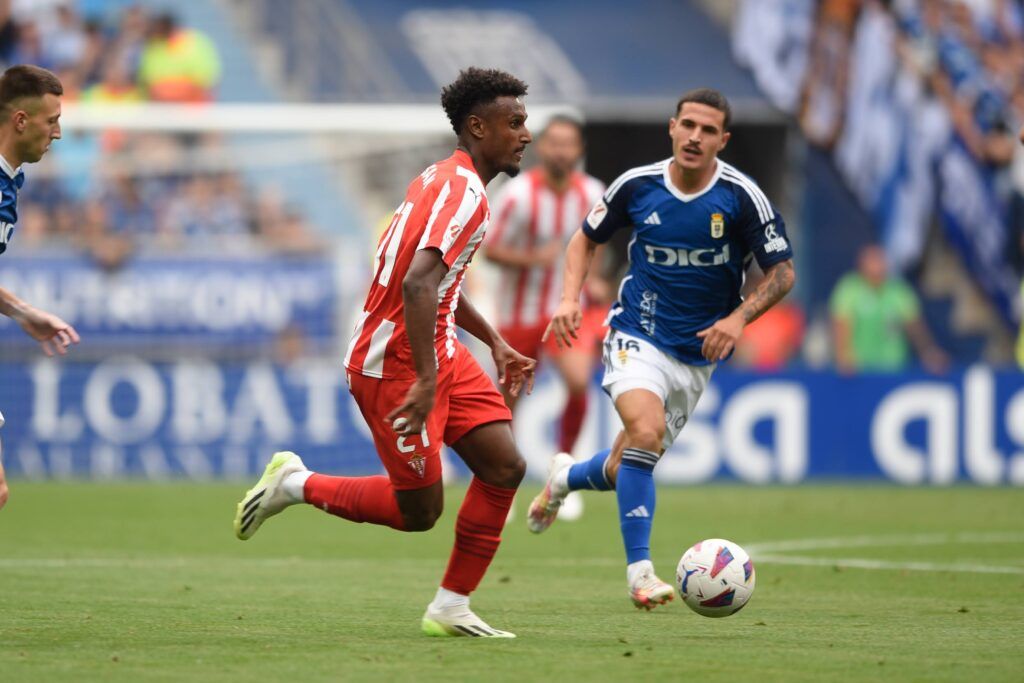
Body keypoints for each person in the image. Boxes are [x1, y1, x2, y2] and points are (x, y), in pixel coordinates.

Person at [233, 67, 536, 638]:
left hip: (435, 348)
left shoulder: (440, 179)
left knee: (504, 466)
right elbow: (417, 286)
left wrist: (493, 340)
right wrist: (425, 379)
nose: (526, 133)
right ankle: (294, 484)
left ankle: (451, 606)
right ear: (478, 127)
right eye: (514, 122)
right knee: (419, 512)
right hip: (394, 362)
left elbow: (434, 284)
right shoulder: (464, 195)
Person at [527, 88, 796, 609]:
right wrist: (568, 299)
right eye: (688, 125)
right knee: (645, 434)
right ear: (672, 127)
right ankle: (640, 574)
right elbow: (585, 238)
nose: (695, 136)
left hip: (697, 355)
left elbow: (783, 274)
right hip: (637, 332)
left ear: (723, 139)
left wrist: (738, 319)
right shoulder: (638, 185)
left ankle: (562, 478)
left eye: (708, 129)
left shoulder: (741, 198)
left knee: (623, 463)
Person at [484, 116, 608, 448]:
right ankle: (499, 483)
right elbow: (488, 250)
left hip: (565, 307)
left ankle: (561, 466)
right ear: (542, 147)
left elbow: (599, 240)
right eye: (554, 143)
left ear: (579, 149)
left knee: (579, 381)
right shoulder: (517, 195)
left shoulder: (594, 192)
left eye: (568, 144)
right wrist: (533, 259)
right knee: (510, 400)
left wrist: (593, 278)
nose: (560, 151)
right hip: (518, 311)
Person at [0, 64, 81, 511]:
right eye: (52, 121)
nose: (59, 133)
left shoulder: (10, 179)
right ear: (20, 121)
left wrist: (22, 312)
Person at [830, 243, 948, 373]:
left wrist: (928, 352)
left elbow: (915, 327)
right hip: (860, 369)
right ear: (861, 264)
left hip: (893, 367)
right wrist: (843, 356)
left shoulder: (898, 291)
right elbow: (841, 324)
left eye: (881, 259)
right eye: (873, 260)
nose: (879, 264)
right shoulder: (849, 289)